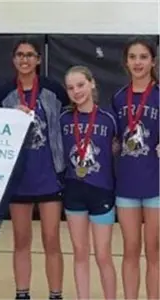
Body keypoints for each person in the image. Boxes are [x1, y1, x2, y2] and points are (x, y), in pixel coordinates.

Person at [0, 39, 67, 300]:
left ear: (38, 59)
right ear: (14, 59)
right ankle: (22, 294)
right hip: (18, 178)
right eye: (19, 55)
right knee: (21, 239)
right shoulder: (3, 94)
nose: (24, 60)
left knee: (52, 240)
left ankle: (55, 294)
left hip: (49, 175)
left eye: (30, 55)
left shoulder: (53, 91)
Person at [60, 66, 117, 300]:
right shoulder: (63, 119)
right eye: (71, 87)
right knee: (80, 253)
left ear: (92, 84)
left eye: (81, 85)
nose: (76, 91)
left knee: (103, 255)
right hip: (74, 191)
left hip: (101, 191)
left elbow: (122, 144)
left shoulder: (109, 118)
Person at [111, 37, 159, 300]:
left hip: (156, 184)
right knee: (130, 248)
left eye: (143, 57)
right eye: (133, 57)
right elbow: (116, 142)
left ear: (153, 61)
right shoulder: (119, 98)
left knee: (154, 250)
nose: (138, 62)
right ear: (126, 62)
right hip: (127, 184)